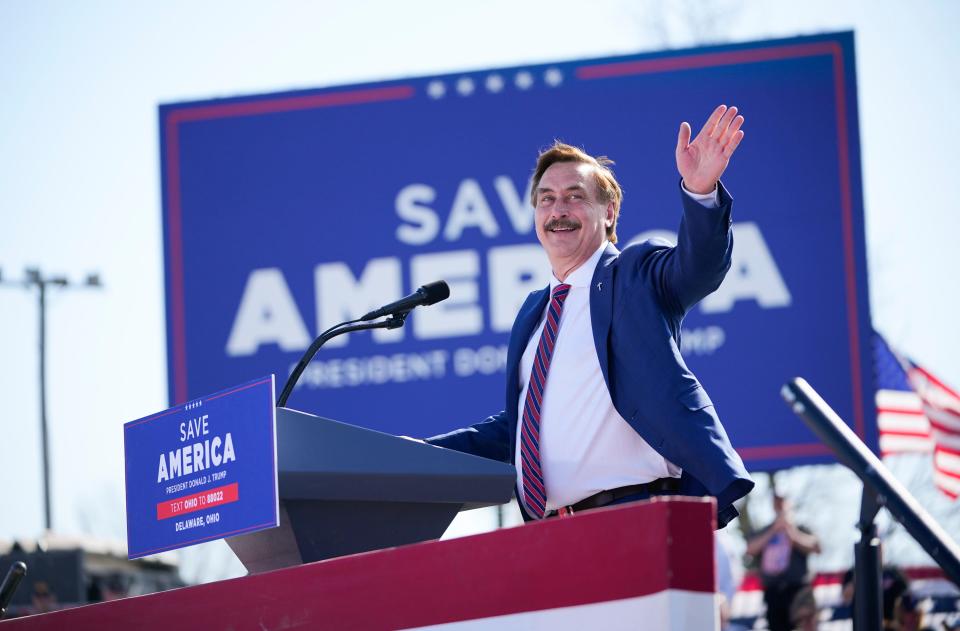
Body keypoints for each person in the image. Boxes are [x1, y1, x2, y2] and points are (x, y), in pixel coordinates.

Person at [426, 105, 754, 528]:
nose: (558, 210)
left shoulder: (633, 274)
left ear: (610, 212)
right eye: (547, 200)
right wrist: (417, 454)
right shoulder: (534, 314)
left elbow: (699, 268)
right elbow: (524, 428)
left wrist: (700, 191)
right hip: (551, 533)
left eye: (575, 197)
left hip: (637, 517)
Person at [745, 495, 821, 631]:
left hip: (799, 590)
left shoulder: (801, 528)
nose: (780, 506)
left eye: (783, 502)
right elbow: (751, 549)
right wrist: (774, 530)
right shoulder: (766, 529)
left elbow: (816, 546)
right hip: (774, 592)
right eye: (777, 502)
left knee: (805, 624)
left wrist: (791, 532)